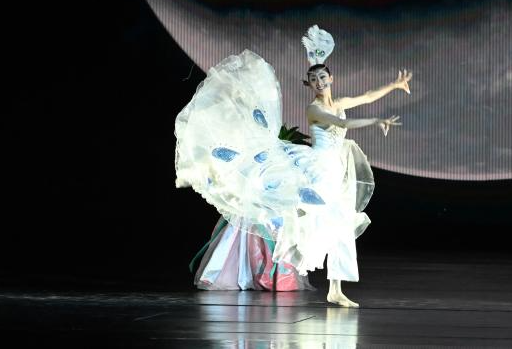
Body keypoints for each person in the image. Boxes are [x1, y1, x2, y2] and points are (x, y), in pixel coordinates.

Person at [174, 25, 409, 307]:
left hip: (335, 170)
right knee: (315, 220)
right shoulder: (314, 109)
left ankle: (335, 288)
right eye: (313, 79)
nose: (319, 82)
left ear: (331, 78)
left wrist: (395, 85)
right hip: (316, 168)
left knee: (341, 227)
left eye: (322, 77)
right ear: (308, 84)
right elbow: (342, 123)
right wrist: (376, 121)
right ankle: (291, 255)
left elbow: (368, 96)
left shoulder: (339, 102)